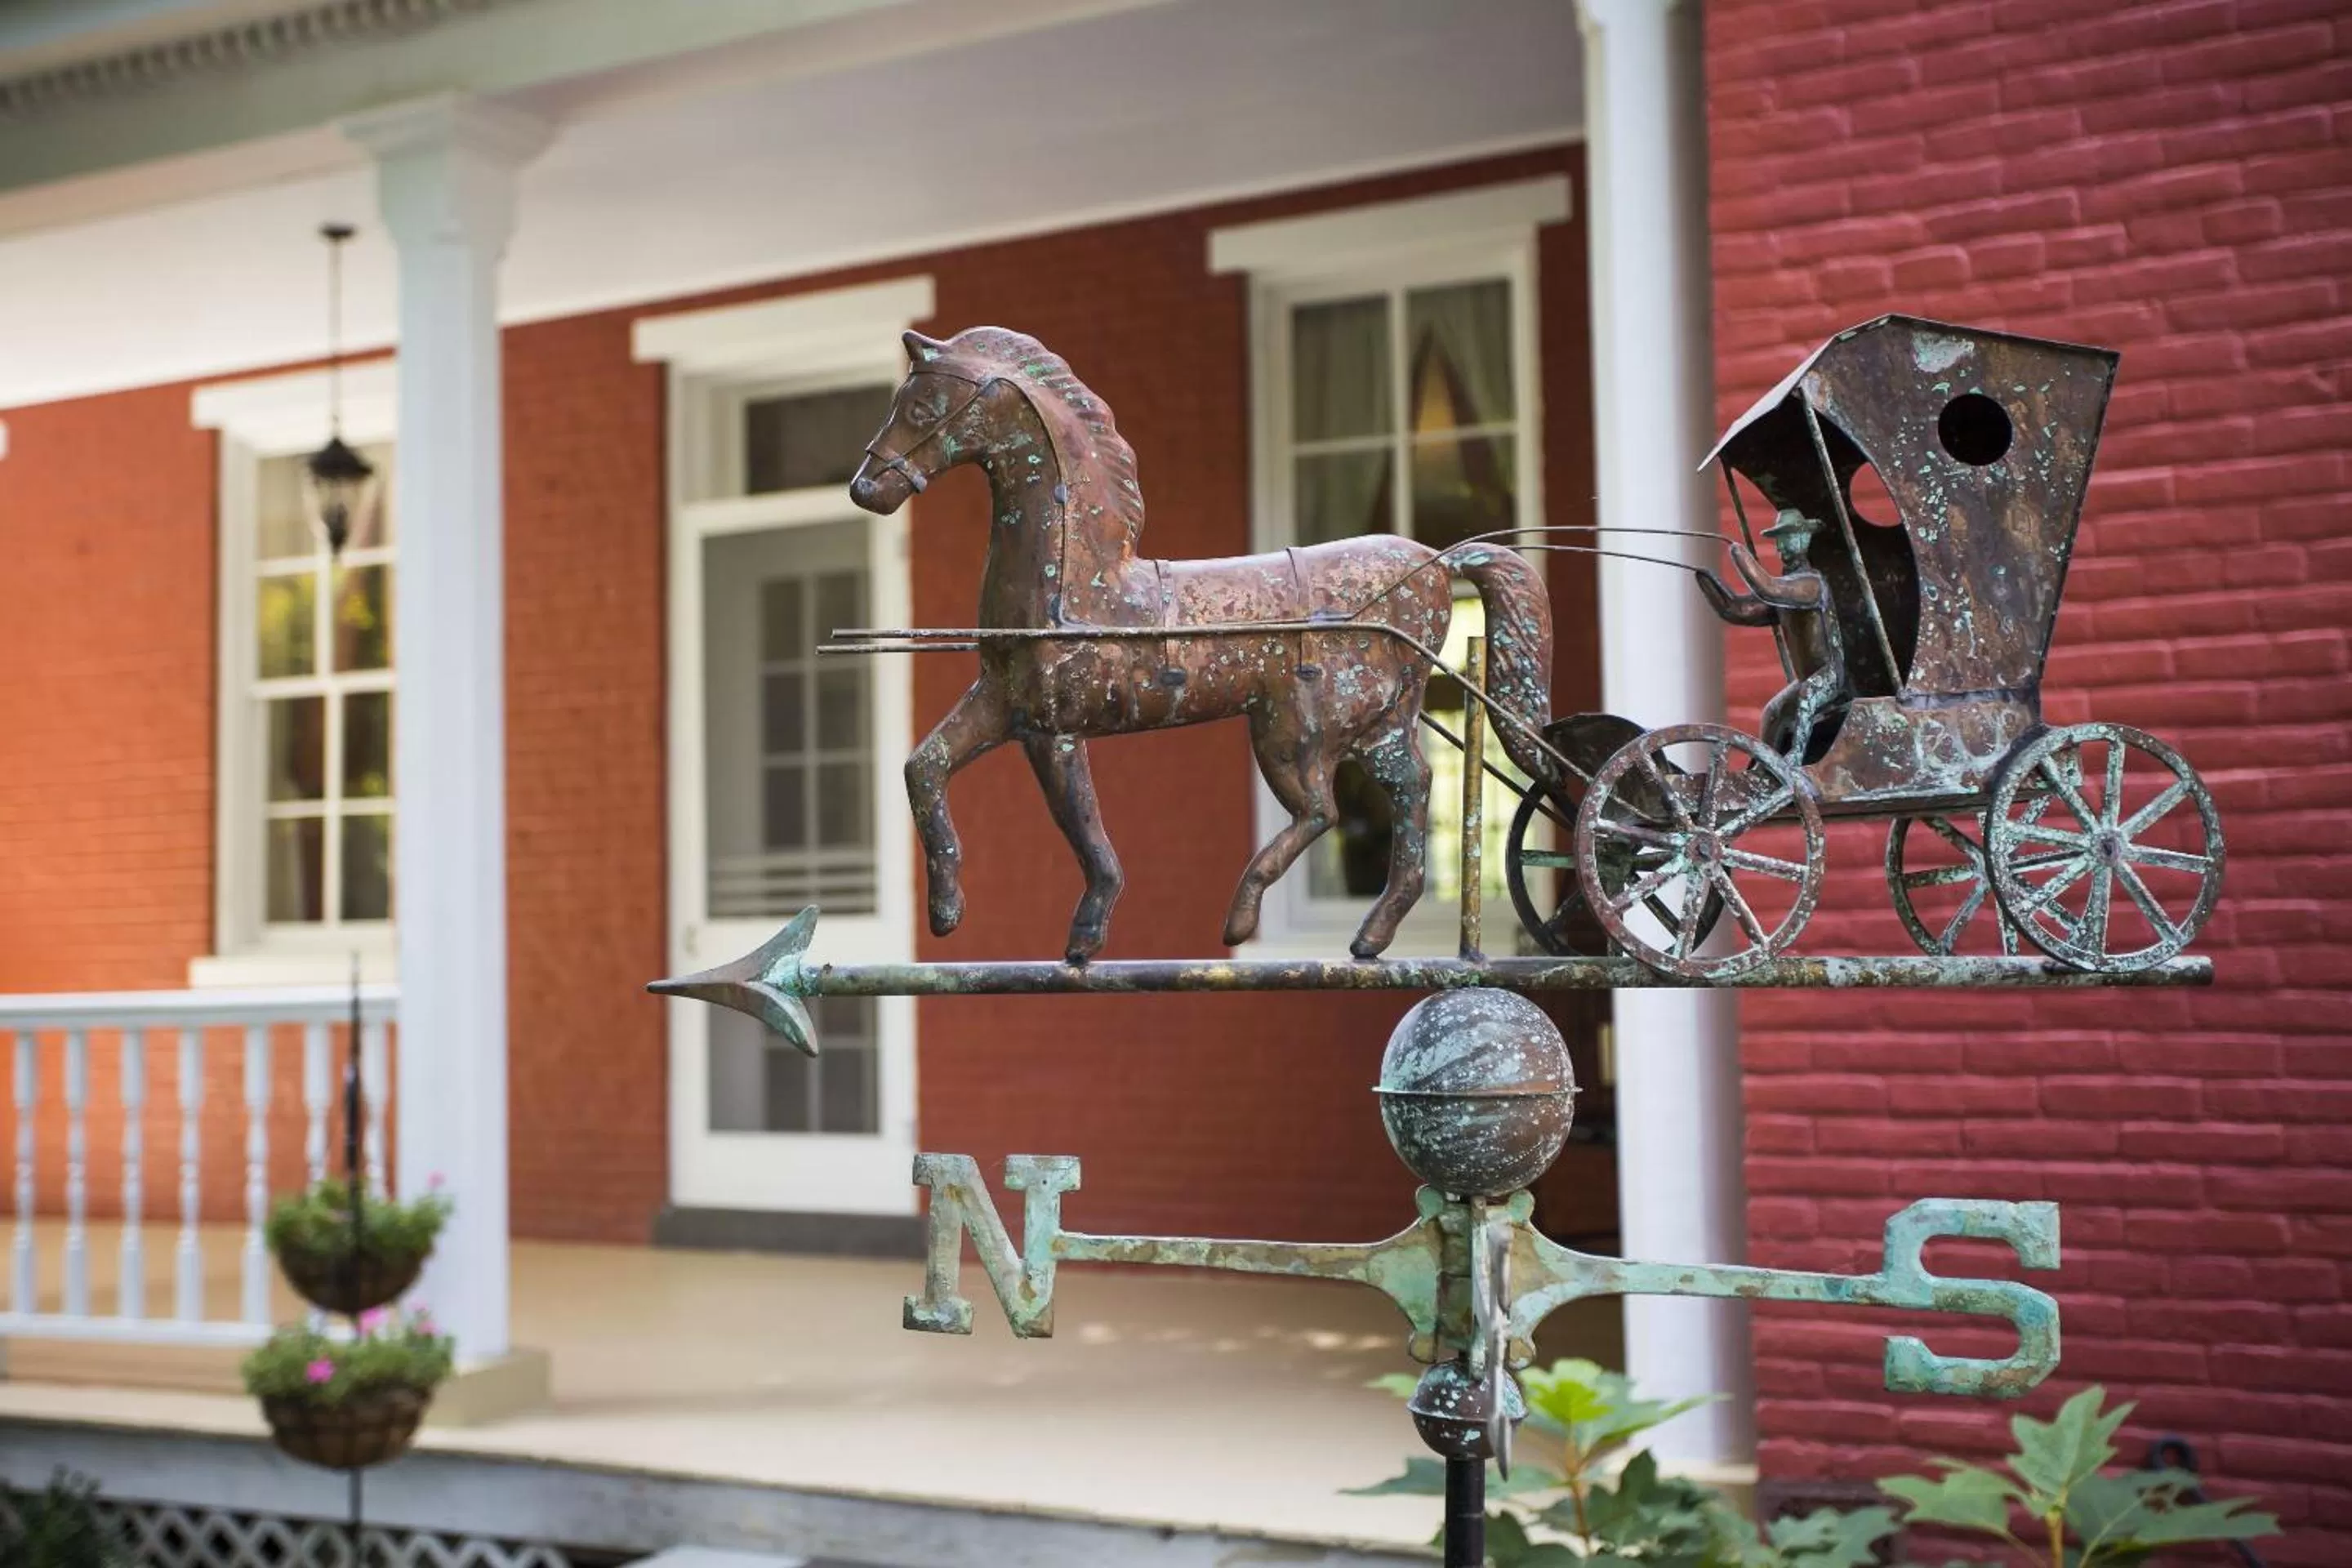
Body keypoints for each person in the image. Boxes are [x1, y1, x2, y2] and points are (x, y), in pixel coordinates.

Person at [1695, 509, 1847, 762]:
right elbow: (1739, 610)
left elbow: (1768, 588)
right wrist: (1707, 581)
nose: (1780, 546)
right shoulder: (1788, 591)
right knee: (1773, 712)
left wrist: (1738, 553)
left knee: (1806, 696)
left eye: (1786, 537)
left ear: (1803, 539)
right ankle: (1765, 766)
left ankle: (1796, 756)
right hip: (1806, 678)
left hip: (1828, 675)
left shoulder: (1810, 585)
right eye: (1778, 539)